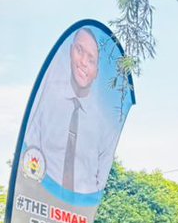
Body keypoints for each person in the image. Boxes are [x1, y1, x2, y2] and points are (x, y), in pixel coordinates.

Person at [21, 27, 118, 197]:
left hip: (80, 216)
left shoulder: (104, 126)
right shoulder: (46, 105)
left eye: (91, 59)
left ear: (97, 71)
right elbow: (29, 155)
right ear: (71, 51)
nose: (83, 62)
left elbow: (100, 181)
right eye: (80, 50)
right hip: (42, 206)